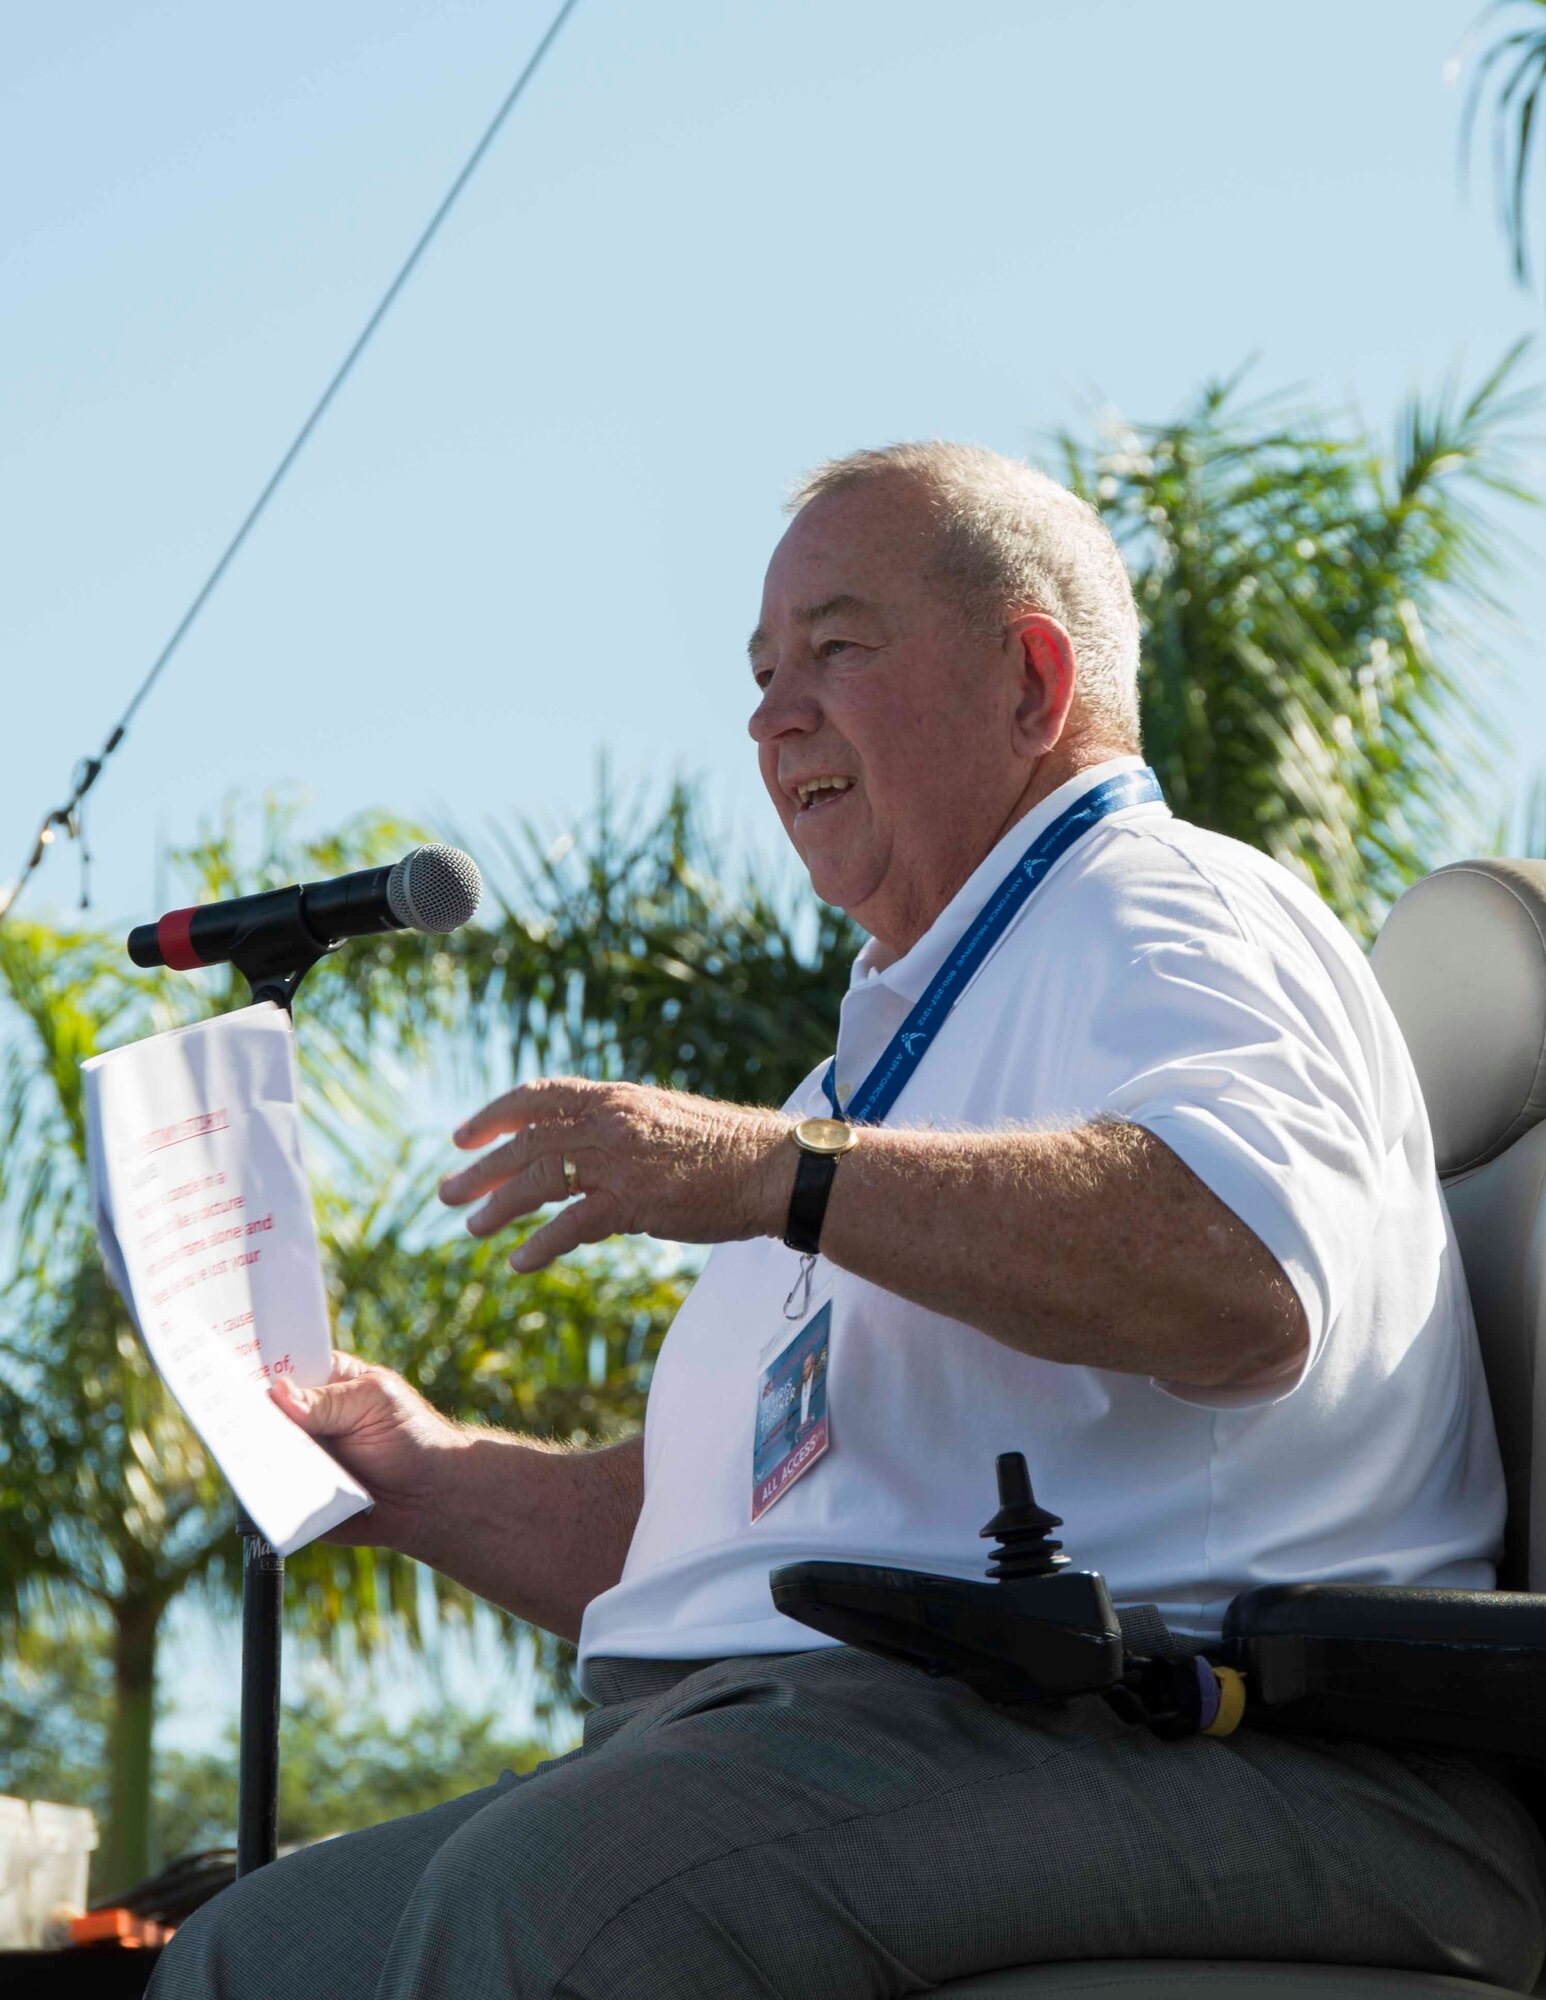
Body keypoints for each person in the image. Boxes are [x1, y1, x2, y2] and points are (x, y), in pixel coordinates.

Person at [151, 443, 1546, 1999]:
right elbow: (731, 1538)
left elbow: (1237, 1271)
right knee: (246, 1956)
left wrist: (779, 1172)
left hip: (1251, 1752)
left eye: (835, 648)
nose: (770, 715)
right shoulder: (881, 1059)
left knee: (560, 1912)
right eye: (757, 672)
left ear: (1029, 681)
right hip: (828, 1739)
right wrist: (422, 1480)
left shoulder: (1169, 906)